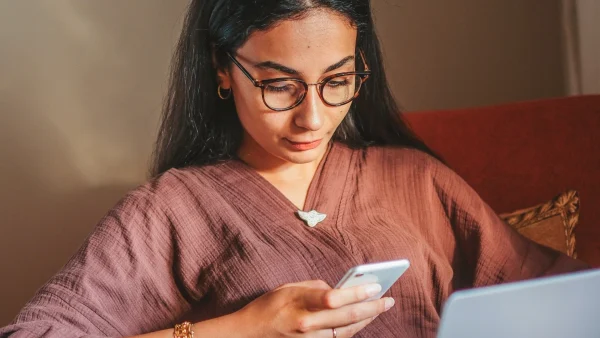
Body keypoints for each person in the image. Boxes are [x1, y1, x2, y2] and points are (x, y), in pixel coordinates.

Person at [0, 1, 589, 337]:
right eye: (280, 86)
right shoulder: (173, 209)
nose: (313, 117)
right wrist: (239, 330)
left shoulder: (417, 180)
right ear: (222, 69)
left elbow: (559, 296)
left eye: (337, 82)